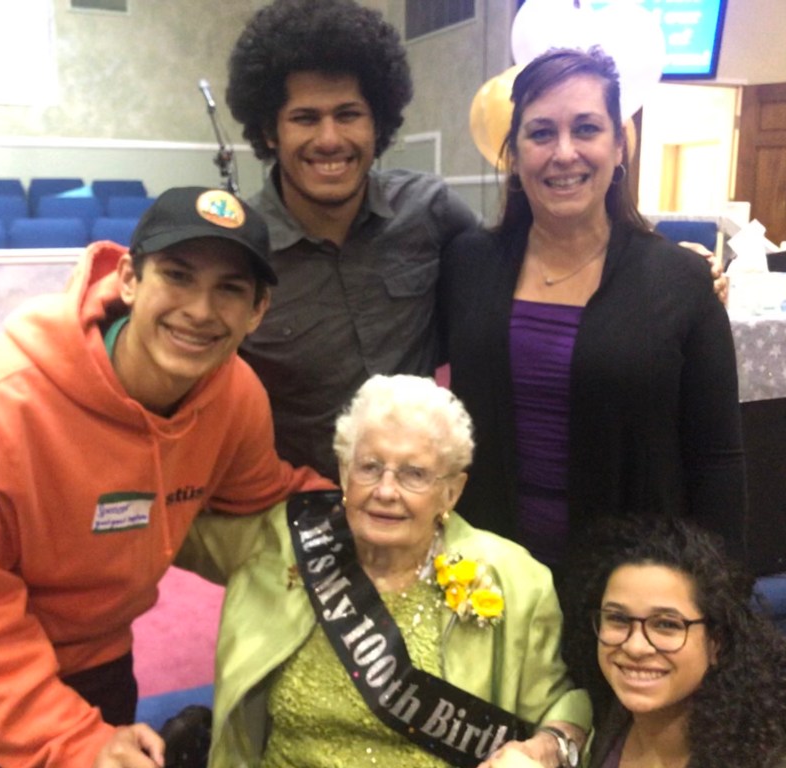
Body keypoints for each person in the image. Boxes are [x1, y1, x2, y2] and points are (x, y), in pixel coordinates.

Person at [0, 186, 330, 768]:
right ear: (129, 278)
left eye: (230, 289)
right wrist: (75, 742)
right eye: (177, 276)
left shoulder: (235, 396)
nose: (200, 310)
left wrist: (361, 508)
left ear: (257, 311)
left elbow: (261, 496)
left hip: (92, 646)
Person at [175, 374, 592, 767]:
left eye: (414, 474)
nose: (386, 491)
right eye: (370, 467)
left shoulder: (513, 578)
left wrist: (545, 747)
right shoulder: (281, 542)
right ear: (344, 473)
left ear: (451, 492)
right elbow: (168, 532)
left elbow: (562, 707)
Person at [439, 47, 746, 573]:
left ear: (619, 145)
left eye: (586, 129)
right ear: (514, 153)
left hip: (630, 583)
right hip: (488, 576)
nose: (564, 153)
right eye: (541, 133)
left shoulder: (679, 281)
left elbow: (716, 459)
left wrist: (721, 594)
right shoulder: (466, 264)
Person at [226, 0, 481, 481]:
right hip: (292, 501)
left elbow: (509, 278)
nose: (329, 138)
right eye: (305, 118)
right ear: (269, 131)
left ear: (377, 124)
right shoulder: (238, 247)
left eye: (348, 114)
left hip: (416, 495)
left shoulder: (430, 211)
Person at [551, 515, 786, 768]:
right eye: (618, 619)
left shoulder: (775, 760)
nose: (635, 646)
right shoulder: (610, 712)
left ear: (716, 642)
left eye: (666, 624)